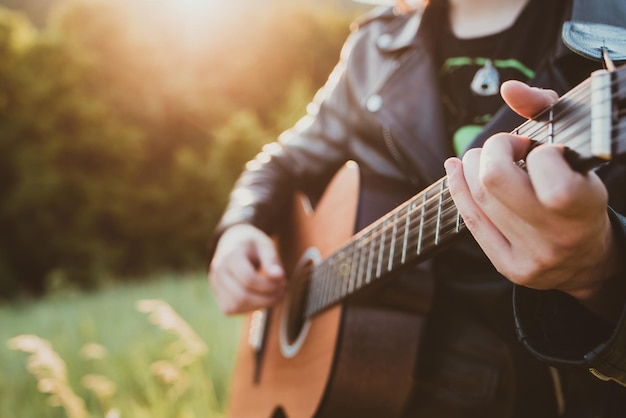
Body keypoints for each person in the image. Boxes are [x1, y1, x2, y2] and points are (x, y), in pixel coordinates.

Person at [208, 0, 626, 416]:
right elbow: (285, 159)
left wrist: (600, 273)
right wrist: (241, 224)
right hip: (389, 385)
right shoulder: (375, 45)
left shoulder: (613, 23)